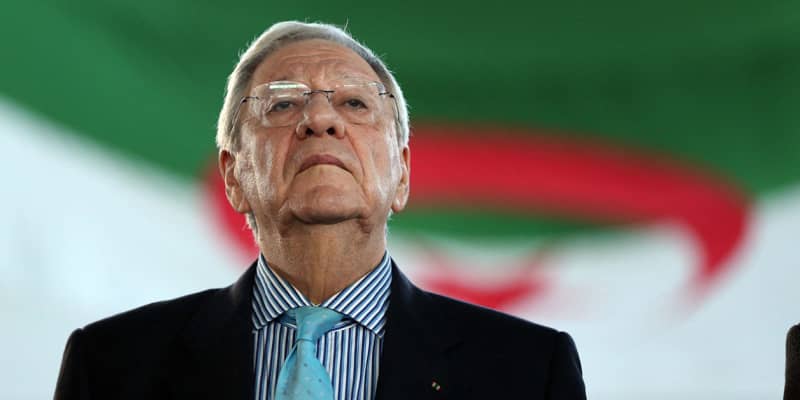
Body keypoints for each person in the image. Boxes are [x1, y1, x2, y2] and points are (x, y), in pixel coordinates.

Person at [54, 21, 587, 400]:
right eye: (283, 103)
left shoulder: (528, 371)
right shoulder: (111, 365)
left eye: (355, 102)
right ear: (233, 176)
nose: (320, 119)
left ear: (402, 174)